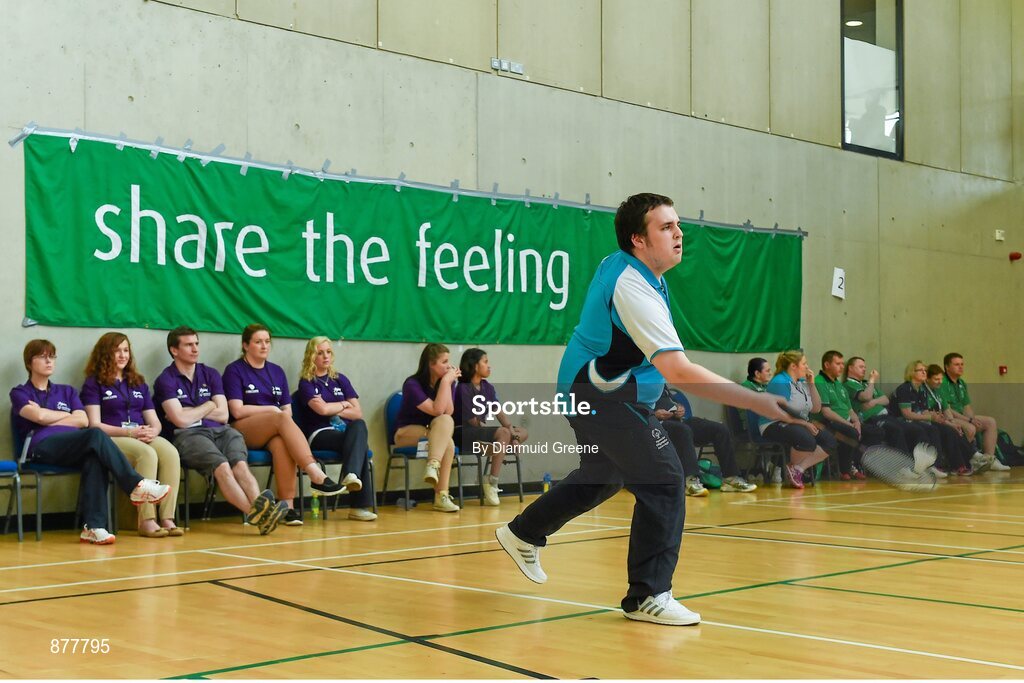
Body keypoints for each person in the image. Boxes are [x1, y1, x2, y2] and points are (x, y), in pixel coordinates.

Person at [494, 193, 786, 627]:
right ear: (638, 239)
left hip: (591, 389)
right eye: (665, 227)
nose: (679, 233)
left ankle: (523, 532)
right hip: (604, 395)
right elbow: (679, 370)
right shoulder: (634, 288)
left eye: (678, 224)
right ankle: (648, 595)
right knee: (665, 479)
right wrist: (758, 400)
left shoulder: (627, 266)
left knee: (603, 476)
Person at [11, 339, 170, 544]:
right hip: (40, 446)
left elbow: (83, 419)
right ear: (29, 362)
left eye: (52, 357)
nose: (49, 361)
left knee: (95, 456)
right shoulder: (20, 392)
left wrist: (48, 414)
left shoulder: (66, 391)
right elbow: (39, 419)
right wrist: (63, 415)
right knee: (95, 435)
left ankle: (94, 527)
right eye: (42, 357)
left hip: (72, 444)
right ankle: (136, 486)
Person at [154, 326, 287, 535]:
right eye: (189, 345)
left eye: (196, 343)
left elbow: (224, 415)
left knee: (240, 466)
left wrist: (192, 411)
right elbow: (180, 420)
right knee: (223, 467)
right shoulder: (165, 380)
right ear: (174, 350)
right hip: (189, 436)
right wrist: (208, 406)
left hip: (223, 431)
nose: (195, 349)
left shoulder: (211, 374)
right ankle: (260, 515)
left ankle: (262, 516)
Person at [223, 324, 345, 526]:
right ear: (245, 345)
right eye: (258, 342)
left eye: (267, 341)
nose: (264, 346)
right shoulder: (235, 370)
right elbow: (237, 410)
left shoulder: (276, 371)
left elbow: (287, 410)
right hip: (243, 429)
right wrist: (271, 411)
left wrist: (278, 414)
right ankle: (314, 472)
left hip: (275, 428)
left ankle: (287, 506)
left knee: (282, 443)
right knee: (280, 419)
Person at [81, 332, 183, 537]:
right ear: (105, 354)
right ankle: (146, 520)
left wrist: (152, 430)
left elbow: (154, 420)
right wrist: (129, 432)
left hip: (140, 434)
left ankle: (167, 517)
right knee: (147, 454)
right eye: (117, 350)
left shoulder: (137, 382)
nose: (122, 355)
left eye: (126, 350)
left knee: (170, 452)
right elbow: (94, 425)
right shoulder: (94, 383)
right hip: (112, 438)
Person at [294, 336, 376, 521]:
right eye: (320, 352)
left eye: (328, 352)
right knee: (359, 444)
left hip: (343, 432)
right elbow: (321, 410)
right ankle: (358, 506)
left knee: (360, 426)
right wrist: (344, 404)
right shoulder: (306, 382)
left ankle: (351, 474)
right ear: (311, 356)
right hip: (319, 434)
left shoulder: (340, 380)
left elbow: (358, 413)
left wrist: (335, 407)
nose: (325, 356)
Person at [454, 348, 529, 506]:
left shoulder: (488, 387)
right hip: (462, 433)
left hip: (479, 431)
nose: (489, 366)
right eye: (486, 362)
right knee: (502, 433)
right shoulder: (463, 388)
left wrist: (514, 435)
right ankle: (492, 481)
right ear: (475, 366)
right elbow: (473, 422)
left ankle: (496, 448)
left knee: (522, 432)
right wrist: (505, 434)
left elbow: (500, 414)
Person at [393, 343, 461, 513]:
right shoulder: (412, 384)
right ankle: (433, 466)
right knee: (445, 439)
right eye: (444, 362)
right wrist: (447, 380)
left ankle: (441, 495)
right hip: (406, 434)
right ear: (431, 364)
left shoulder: (446, 383)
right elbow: (435, 410)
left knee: (448, 439)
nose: (449, 366)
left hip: (431, 434)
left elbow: (447, 412)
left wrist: (447, 383)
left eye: (449, 361)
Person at [654, 387, 756, 496]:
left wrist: (680, 408)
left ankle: (730, 478)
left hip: (678, 421)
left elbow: (671, 402)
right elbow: (636, 411)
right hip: (657, 425)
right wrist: (654, 414)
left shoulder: (660, 384)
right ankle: (690, 481)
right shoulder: (638, 383)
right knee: (684, 431)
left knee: (720, 429)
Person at [759, 350, 833, 489]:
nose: (807, 367)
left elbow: (816, 408)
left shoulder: (802, 382)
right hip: (773, 423)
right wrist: (804, 423)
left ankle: (798, 469)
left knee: (828, 440)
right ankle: (792, 470)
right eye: (804, 364)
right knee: (806, 438)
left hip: (798, 423)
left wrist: (811, 384)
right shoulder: (780, 381)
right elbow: (780, 412)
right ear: (793, 366)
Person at [893, 361, 982, 476]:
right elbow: (907, 414)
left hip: (919, 419)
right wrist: (930, 417)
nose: (924, 372)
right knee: (932, 430)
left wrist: (939, 419)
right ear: (912, 372)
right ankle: (934, 465)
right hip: (902, 421)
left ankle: (959, 465)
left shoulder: (921, 390)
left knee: (949, 430)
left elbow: (924, 410)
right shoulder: (904, 389)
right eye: (921, 370)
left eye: (925, 370)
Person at [941, 353, 1009, 471]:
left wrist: (973, 419)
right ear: (947, 367)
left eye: (962, 364)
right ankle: (969, 461)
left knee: (990, 422)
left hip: (963, 416)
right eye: (956, 364)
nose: (961, 367)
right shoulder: (942, 382)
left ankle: (989, 460)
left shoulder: (961, 383)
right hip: (950, 417)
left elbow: (967, 407)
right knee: (970, 428)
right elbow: (946, 408)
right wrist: (969, 421)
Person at [812, 350, 871, 480]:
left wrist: (856, 422)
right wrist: (850, 424)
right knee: (851, 433)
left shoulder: (839, 385)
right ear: (827, 365)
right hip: (827, 422)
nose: (842, 367)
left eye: (842, 363)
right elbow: (827, 412)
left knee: (874, 432)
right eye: (838, 363)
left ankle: (854, 463)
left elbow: (849, 409)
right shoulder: (819, 381)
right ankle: (844, 468)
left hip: (847, 421)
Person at [843, 356, 917, 455]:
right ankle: (903, 466)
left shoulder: (866, 384)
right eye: (861, 367)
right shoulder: (849, 384)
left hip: (886, 416)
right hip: (871, 419)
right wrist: (872, 380)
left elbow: (886, 400)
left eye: (865, 367)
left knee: (912, 428)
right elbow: (866, 396)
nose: (864, 369)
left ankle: (916, 463)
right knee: (896, 430)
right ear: (850, 368)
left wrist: (874, 402)